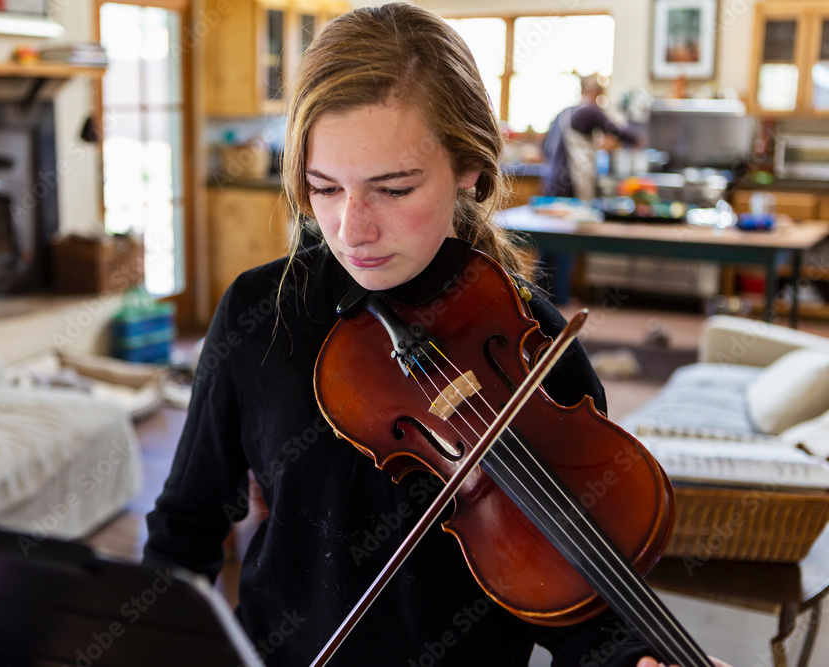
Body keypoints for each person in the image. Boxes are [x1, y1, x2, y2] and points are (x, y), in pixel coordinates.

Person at [144, 4, 727, 666]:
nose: (351, 228)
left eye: (392, 189)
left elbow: (583, 608)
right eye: (324, 187)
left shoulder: (533, 344)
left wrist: (632, 658)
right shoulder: (259, 314)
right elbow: (182, 531)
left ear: (470, 167)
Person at [538, 74, 645, 303]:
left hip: (550, 184)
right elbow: (623, 133)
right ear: (597, 93)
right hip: (570, 187)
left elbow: (544, 146)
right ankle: (560, 299)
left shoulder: (563, 113)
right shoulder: (590, 110)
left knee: (548, 243)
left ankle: (539, 299)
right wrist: (638, 140)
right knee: (566, 242)